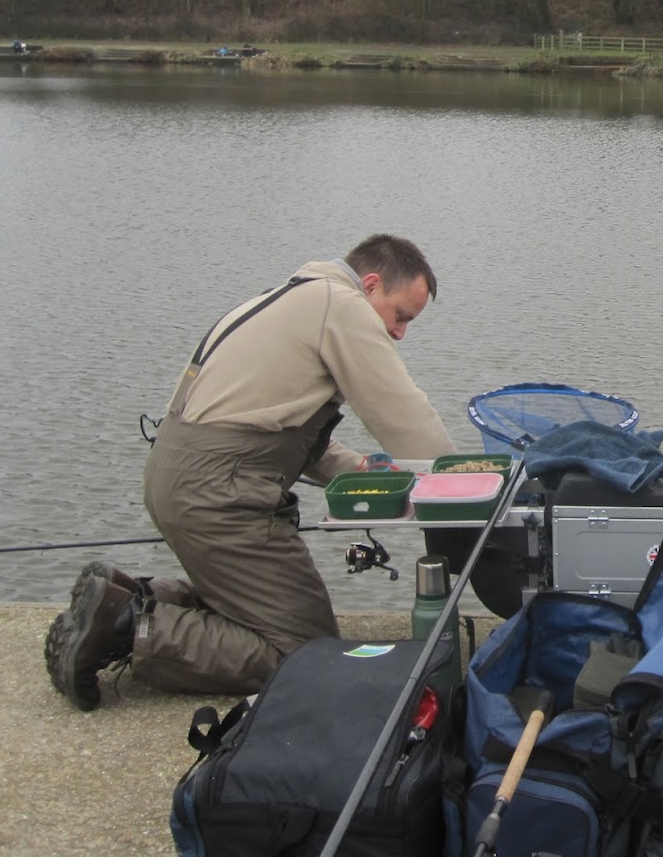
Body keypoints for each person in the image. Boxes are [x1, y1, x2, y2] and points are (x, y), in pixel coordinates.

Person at [44, 234, 457, 710]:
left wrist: (361, 469)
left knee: (254, 610)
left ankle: (126, 595)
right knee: (302, 651)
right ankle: (126, 627)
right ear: (370, 285)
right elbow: (405, 417)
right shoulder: (342, 307)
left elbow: (274, 427)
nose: (401, 332)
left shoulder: (294, 297)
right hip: (218, 495)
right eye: (401, 315)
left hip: (178, 476)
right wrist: (460, 483)